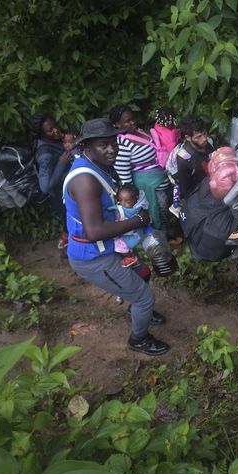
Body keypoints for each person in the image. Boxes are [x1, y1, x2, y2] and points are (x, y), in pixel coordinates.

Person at [63, 118, 169, 356]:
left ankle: (137, 309)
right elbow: (94, 231)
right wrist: (138, 221)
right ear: (86, 146)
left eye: (113, 142)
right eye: (103, 144)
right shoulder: (85, 180)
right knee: (145, 298)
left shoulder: (97, 165)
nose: (112, 149)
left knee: (143, 273)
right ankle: (139, 339)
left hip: (110, 246)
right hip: (93, 255)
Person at [110, 106, 171, 230]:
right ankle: (161, 236)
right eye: (127, 121)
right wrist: (137, 199)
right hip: (149, 188)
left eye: (133, 119)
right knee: (159, 211)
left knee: (166, 208)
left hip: (160, 179)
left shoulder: (138, 131)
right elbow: (125, 178)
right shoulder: (121, 145)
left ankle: (167, 230)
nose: (133, 122)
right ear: (117, 124)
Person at [31, 112, 73, 248]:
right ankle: (68, 246)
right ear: (42, 134)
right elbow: (45, 186)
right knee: (70, 221)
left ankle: (67, 241)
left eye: (55, 125)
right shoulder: (45, 155)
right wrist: (61, 163)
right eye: (50, 130)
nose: (56, 130)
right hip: (60, 197)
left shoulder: (55, 141)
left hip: (68, 192)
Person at [167, 116, 214, 203]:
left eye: (204, 133)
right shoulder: (184, 160)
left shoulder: (208, 142)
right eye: (198, 137)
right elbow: (186, 191)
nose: (204, 139)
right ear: (188, 137)